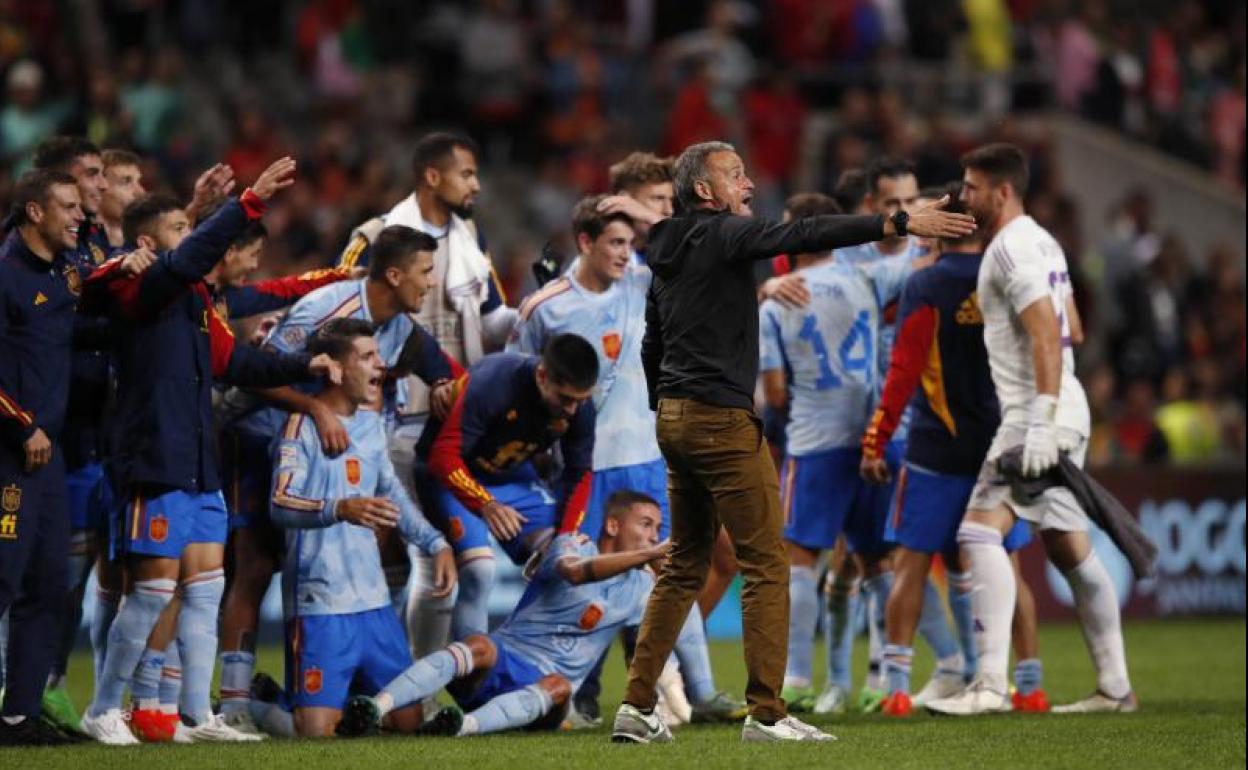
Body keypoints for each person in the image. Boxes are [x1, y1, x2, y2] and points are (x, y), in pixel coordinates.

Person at [613, 140, 974, 744]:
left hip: (674, 418)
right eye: (736, 174)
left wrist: (665, 402)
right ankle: (767, 712)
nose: (749, 183)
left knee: (682, 565)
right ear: (706, 191)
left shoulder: (668, 248)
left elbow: (653, 339)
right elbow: (801, 234)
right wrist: (899, 221)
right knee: (767, 563)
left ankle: (637, 704)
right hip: (720, 420)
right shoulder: (723, 234)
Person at [79, 158, 340, 745]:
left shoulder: (195, 299)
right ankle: (101, 708)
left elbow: (236, 363)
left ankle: (197, 716)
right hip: (151, 457)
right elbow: (188, 259)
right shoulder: (135, 287)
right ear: (150, 243)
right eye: (179, 231)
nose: (190, 242)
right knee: (149, 593)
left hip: (198, 462)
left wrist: (306, 364)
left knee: (204, 590)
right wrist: (248, 202)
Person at [508, 197, 742, 727]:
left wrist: (641, 215)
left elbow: (691, 248)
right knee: (575, 576)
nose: (625, 252)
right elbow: (522, 381)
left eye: (630, 242)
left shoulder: (643, 283)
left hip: (648, 457)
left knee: (672, 571)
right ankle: (569, 691)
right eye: (614, 242)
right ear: (585, 243)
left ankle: (701, 691)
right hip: (586, 467)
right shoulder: (546, 307)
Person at [216, 225, 457, 732]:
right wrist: (312, 410)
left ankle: (347, 684)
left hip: (338, 440)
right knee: (257, 566)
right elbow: (260, 371)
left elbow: (439, 362)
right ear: (393, 275)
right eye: (425, 272)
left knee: (363, 545)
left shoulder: (396, 327)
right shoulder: (324, 310)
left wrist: (441, 381)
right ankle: (237, 703)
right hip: (259, 431)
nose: (430, 284)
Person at [926, 143, 1135, 715]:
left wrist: (1040, 421)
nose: (964, 195)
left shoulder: (1011, 249)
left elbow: (1047, 333)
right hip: (1065, 405)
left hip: (1034, 414)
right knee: (1071, 551)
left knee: (976, 534)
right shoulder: (1043, 241)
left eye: (971, 186)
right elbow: (1074, 326)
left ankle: (990, 685)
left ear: (1002, 191)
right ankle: (1116, 688)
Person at [757, 192, 955, 716]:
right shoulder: (869, 277)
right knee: (880, 562)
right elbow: (925, 262)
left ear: (799, 235)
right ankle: (926, 672)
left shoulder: (777, 301)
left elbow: (774, 393)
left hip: (814, 441)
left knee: (800, 556)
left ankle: (798, 676)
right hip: (873, 439)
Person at [859, 184, 1047, 716]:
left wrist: (876, 436)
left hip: (935, 450)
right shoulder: (1008, 274)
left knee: (911, 565)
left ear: (941, 228)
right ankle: (1030, 685)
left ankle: (896, 686)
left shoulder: (927, 285)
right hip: (1000, 445)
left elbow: (904, 369)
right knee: (1008, 566)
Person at [338, 131, 515, 663]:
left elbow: (492, 319)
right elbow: (343, 315)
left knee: (434, 557)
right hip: (391, 419)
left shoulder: (472, 240)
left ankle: (409, 678)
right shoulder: (375, 237)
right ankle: (403, 677)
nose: (477, 185)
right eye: (467, 174)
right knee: (413, 553)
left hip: (457, 422)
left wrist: (534, 311)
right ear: (432, 176)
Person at [334, 491, 685, 740]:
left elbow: (637, 652)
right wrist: (650, 554)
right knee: (478, 645)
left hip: (547, 692)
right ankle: (375, 707)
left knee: (560, 686)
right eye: (646, 525)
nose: (653, 537)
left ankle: (460, 727)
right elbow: (576, 573)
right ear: (612, 525)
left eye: (657, 530)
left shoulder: (641, 589)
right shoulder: (571, 544)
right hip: (505, 659)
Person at [262, 318, 456, 738]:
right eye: (367, 357)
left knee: (407, 722)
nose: (380, 365)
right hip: (320, 603)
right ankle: (263, 703)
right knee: (316, 733)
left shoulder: (370, 426)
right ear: (335, 367)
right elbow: (279, 503)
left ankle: (344, 702)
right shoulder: (300, 426)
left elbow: (393, 495)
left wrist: (435, 542)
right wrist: (339, 508)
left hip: (373, 602)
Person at [420, 335, 600, 641]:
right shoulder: (494, 381)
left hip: (509, 477)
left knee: (563, 561)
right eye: (565, 398)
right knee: (480, 570)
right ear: (542, 376)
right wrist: (485, 504)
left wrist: (567, 537)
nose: (572, 410)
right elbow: (442, 456)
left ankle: (526, 654)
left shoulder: (581, 408)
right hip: (451, 478)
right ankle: (470, 679)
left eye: (580, 399)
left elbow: (580, 473)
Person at [0, 170, 90, 746]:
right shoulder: (4, 275)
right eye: (69, 206)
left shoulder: (65, 273)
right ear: (35, 212)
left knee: (47, 583)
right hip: (10, 455)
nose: (80, 215)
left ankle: (18, 716)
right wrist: (22, 424)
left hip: (48, 458)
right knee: (2, 578)